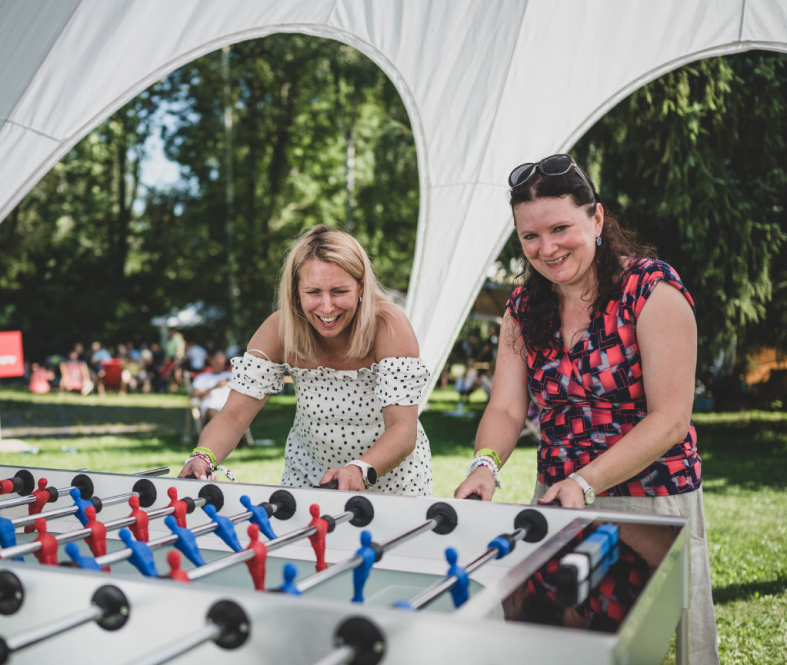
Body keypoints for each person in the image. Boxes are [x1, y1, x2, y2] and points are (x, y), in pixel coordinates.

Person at [454, 154, 718, 663]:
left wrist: (585, 481)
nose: (547, 248)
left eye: (560, 229)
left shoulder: (652, 289)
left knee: (651, 648)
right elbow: (506, 409)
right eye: (530, 237)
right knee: (555, 649)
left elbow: (670, 419)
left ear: (596, 219)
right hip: (559, 502)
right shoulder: (522, 307)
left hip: (651, 503)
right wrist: (485, 465)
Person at [178, 225, 432, 495]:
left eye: (339, 291)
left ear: (361, 286)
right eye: (313, 292)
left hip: (392, 483)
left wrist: (359, 469)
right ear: (295, 291)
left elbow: (402, 428)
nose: (327, 307)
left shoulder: (388, 326)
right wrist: (203, 456)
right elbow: (234, 414)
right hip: (309, 477)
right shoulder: (278, 330)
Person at [190, 349, 233, 427]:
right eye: (218, 360)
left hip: (229, 407)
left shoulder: (231, 376)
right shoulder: (202, 377)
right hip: (211, 406)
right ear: (211, 361)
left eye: (222, 360)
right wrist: (215, 387)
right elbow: (195, 394)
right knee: (213, 412)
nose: (221, 363)